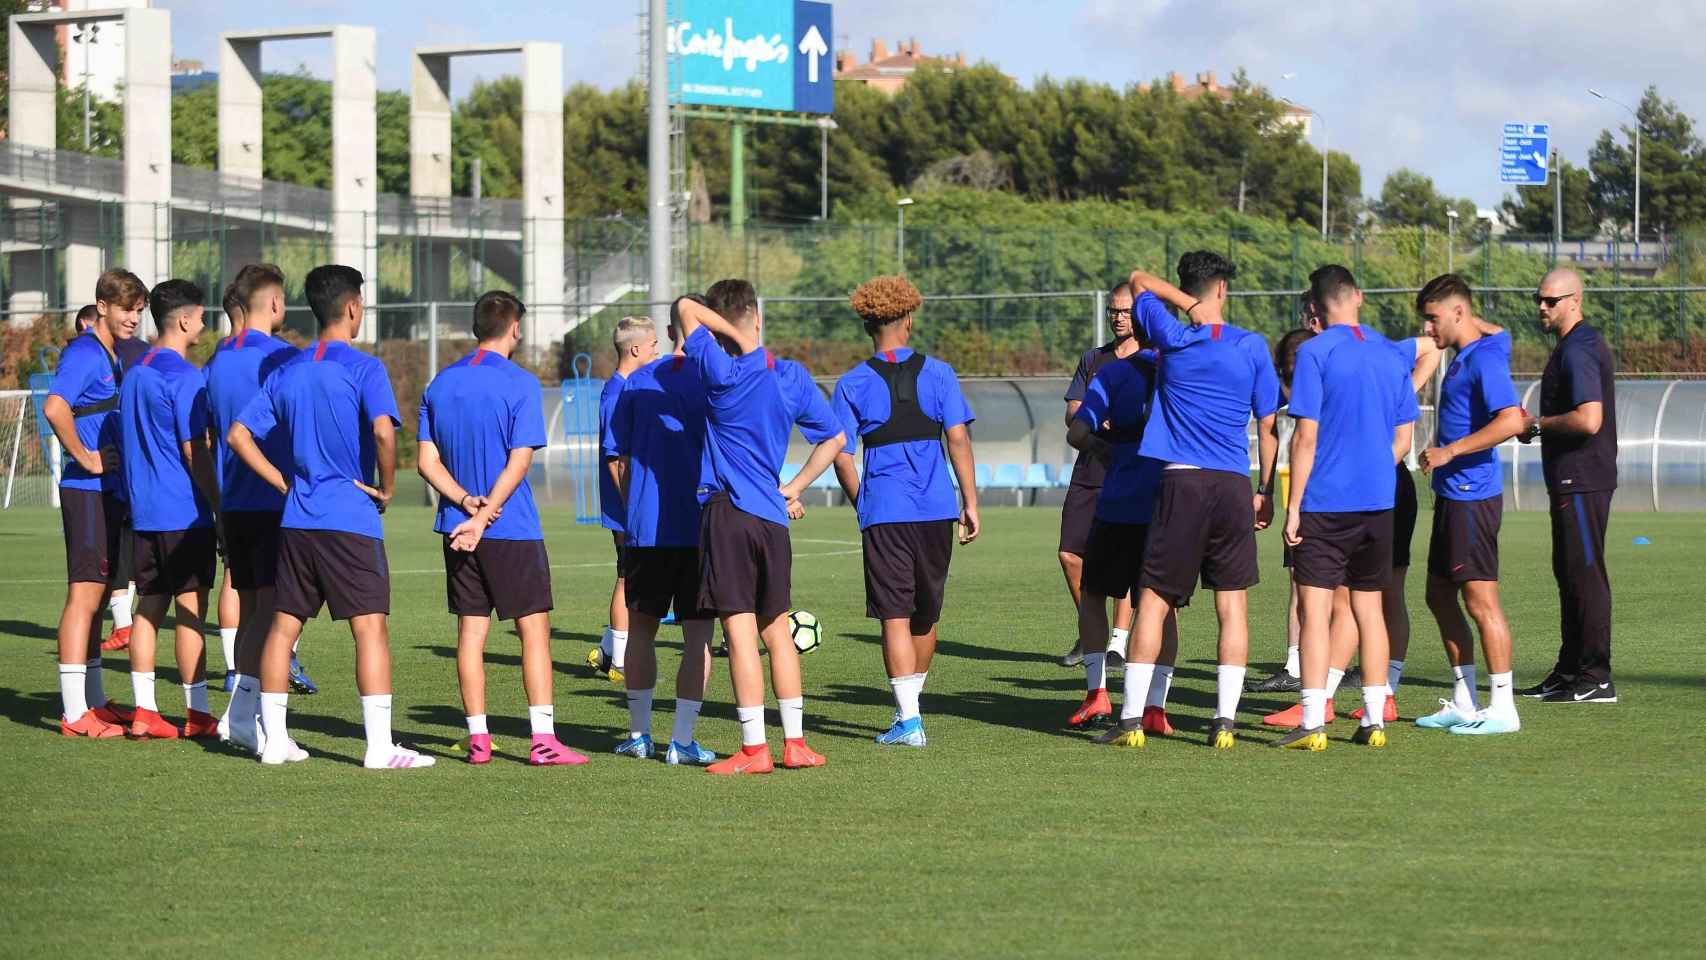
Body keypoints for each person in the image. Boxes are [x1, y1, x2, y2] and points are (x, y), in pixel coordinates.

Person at [228, 264, 431, 769]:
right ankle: (379, 747)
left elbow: (238, 435)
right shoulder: (364, 368)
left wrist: (281, 481)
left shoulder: (287, 369)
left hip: (297, 520)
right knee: (370, 629)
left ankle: (275, 741)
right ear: (352, 307)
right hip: (349, 519)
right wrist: (387, 486)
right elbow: (384, 433)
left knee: (283, 627)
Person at [673, 281, 846, 775]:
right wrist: (795, 487)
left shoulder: (718, 368)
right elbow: (834, 438)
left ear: (719, 322)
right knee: (778, 631)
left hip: (728, 515)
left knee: (740, 634)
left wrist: (735, 336)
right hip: (772, 518)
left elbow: (686, 308)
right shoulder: (790, 374)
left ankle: (754, 749)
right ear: (758, 317)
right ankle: (796, 743)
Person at [417, 291, 586, 767]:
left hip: (456, 528)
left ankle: (478, 740)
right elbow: (519, 461)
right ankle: (543, 740)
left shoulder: (439, 384)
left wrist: (465, 505)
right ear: (515, 328)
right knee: (534, 631)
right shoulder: (520, 383)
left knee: (471, 633)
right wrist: (485, 514)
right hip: (509, 528)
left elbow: (426, 462)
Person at [1125, 253, 1281, 749]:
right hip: (1234, 485)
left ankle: (1130, 719)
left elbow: (1138, 280)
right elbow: (1269, 425)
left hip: (1182, 482)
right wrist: (1266, 491)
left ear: (1190, 289)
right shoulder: (1252, 345)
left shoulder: (1171, 337)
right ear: (1224, 290)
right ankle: (1224, 722)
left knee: (1152, 602)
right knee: (1231, 606)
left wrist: (1187, 304)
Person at [829, 275, 980, 748]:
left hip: (886, 512)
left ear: (867, 325)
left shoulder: (851, 382)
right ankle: (910, 711)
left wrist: (862, 498)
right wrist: (970, 502)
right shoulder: (940, 373)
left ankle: (909, 719)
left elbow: (839, 452)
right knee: (925, 614)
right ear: (909, 319)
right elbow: (958, 438)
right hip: (936, 508)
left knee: (894, 615)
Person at [1275, 265, 1418, 751]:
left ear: (1315, 308)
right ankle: (1374, 719)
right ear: (1358, 296)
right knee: (1369, 609)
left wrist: (1293, 506)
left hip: (1326, 503)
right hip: (1380, 501)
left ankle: (1313, 721)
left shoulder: (1314, 352)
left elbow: (1306, 436)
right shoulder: (1391, 352)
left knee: (1315, 613)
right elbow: (1404, 436)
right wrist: (1376, 468)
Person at [608, 295, 720, 764]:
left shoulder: (636, 383)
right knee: (697, 638)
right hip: (699, 527)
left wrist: (634, 506)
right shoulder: (714, 381)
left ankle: (639, 735)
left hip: (647, 530)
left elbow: (617, 459)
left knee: (641, 633)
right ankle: (682, 739)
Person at [1415, 274, 1526, 736]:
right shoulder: (1481, 347)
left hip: (1472, 496)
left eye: (1433, 318)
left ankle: (1503, 707)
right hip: (1452, 495)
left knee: (1480, 601)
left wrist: (1450, 451)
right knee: (1438, 594)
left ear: (1457, 313)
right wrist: (1465, 315)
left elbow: (1513, 420)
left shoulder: (1483, 361)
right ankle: (1465, 699)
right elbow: (1502, 332)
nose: (1427, 329)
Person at [43, 270, 148, 737]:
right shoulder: (86, 352)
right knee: (84, 596)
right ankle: (72, 713)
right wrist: (82, 456)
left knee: (102, 594)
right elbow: (54, 406)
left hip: (108, 493)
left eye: (139, 310)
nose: (134, 318)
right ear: (102, 307)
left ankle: (96, 700)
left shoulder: (112, 355)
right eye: (127, 308)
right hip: (85, 492)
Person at [116, 278, 222, 740]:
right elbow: (194, 450)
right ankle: (197, 713)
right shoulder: (185, 376)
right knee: (191, 610)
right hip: (184, 513)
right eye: (201, 316)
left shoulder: (135, 373)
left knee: (148, 607)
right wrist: (220, 506)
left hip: (144, 513)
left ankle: (144, 710)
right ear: (183, 319)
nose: (203, 323)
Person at [1064, 342, 1183, 746]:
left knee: (1094, 593)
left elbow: (1077, 431)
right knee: (1163, 607)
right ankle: (1154, 708)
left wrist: (1105, 449)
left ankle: (1098, 694)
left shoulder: (1113, 373)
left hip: (1117, 504)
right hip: (1168, 504)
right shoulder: (1183, 369)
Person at [204, 264, 301, 753]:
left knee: (251, 611)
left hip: (234, 502)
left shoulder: (218, 360)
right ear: (275, 304)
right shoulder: (284, 357)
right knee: (272, 614)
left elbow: (205, 435)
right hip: (271, 499)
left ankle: (240, 716)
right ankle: (263, 725)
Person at [1518, 268, 1618, 704]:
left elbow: (1588, 418)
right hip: (1571, 479)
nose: (1542, 307)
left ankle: (1595, 676)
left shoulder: (1579, 348)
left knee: (1585, 575)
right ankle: (1569, 669)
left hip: (1582, 478)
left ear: (1574, 300)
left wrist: (1537, 425)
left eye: (1550, 300)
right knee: (1570, 573)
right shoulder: (1571, 345)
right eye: (1538, 299)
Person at [1057, 282, 1142, 667]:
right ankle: (1090, 626)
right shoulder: (1094, 359)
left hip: (1131, 469)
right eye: (1113, 310)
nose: (1118, 317)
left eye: (1125, 311)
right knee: (1070, 553)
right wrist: (1092, 417)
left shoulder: (1153, 360)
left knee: (1124, 560)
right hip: (1090, 466)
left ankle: (1118, 643)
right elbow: (1072, 413)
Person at [587, 317, 658, 682]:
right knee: (627, 576)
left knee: (633, 575)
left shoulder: (626, 387)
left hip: (630, 501)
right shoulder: (618, 392)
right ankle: (619, 661)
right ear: (635, 349)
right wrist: (632, 507)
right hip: (625, 504)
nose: (657, 352)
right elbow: (616, 460)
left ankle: (611, 648)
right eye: (653, 345)